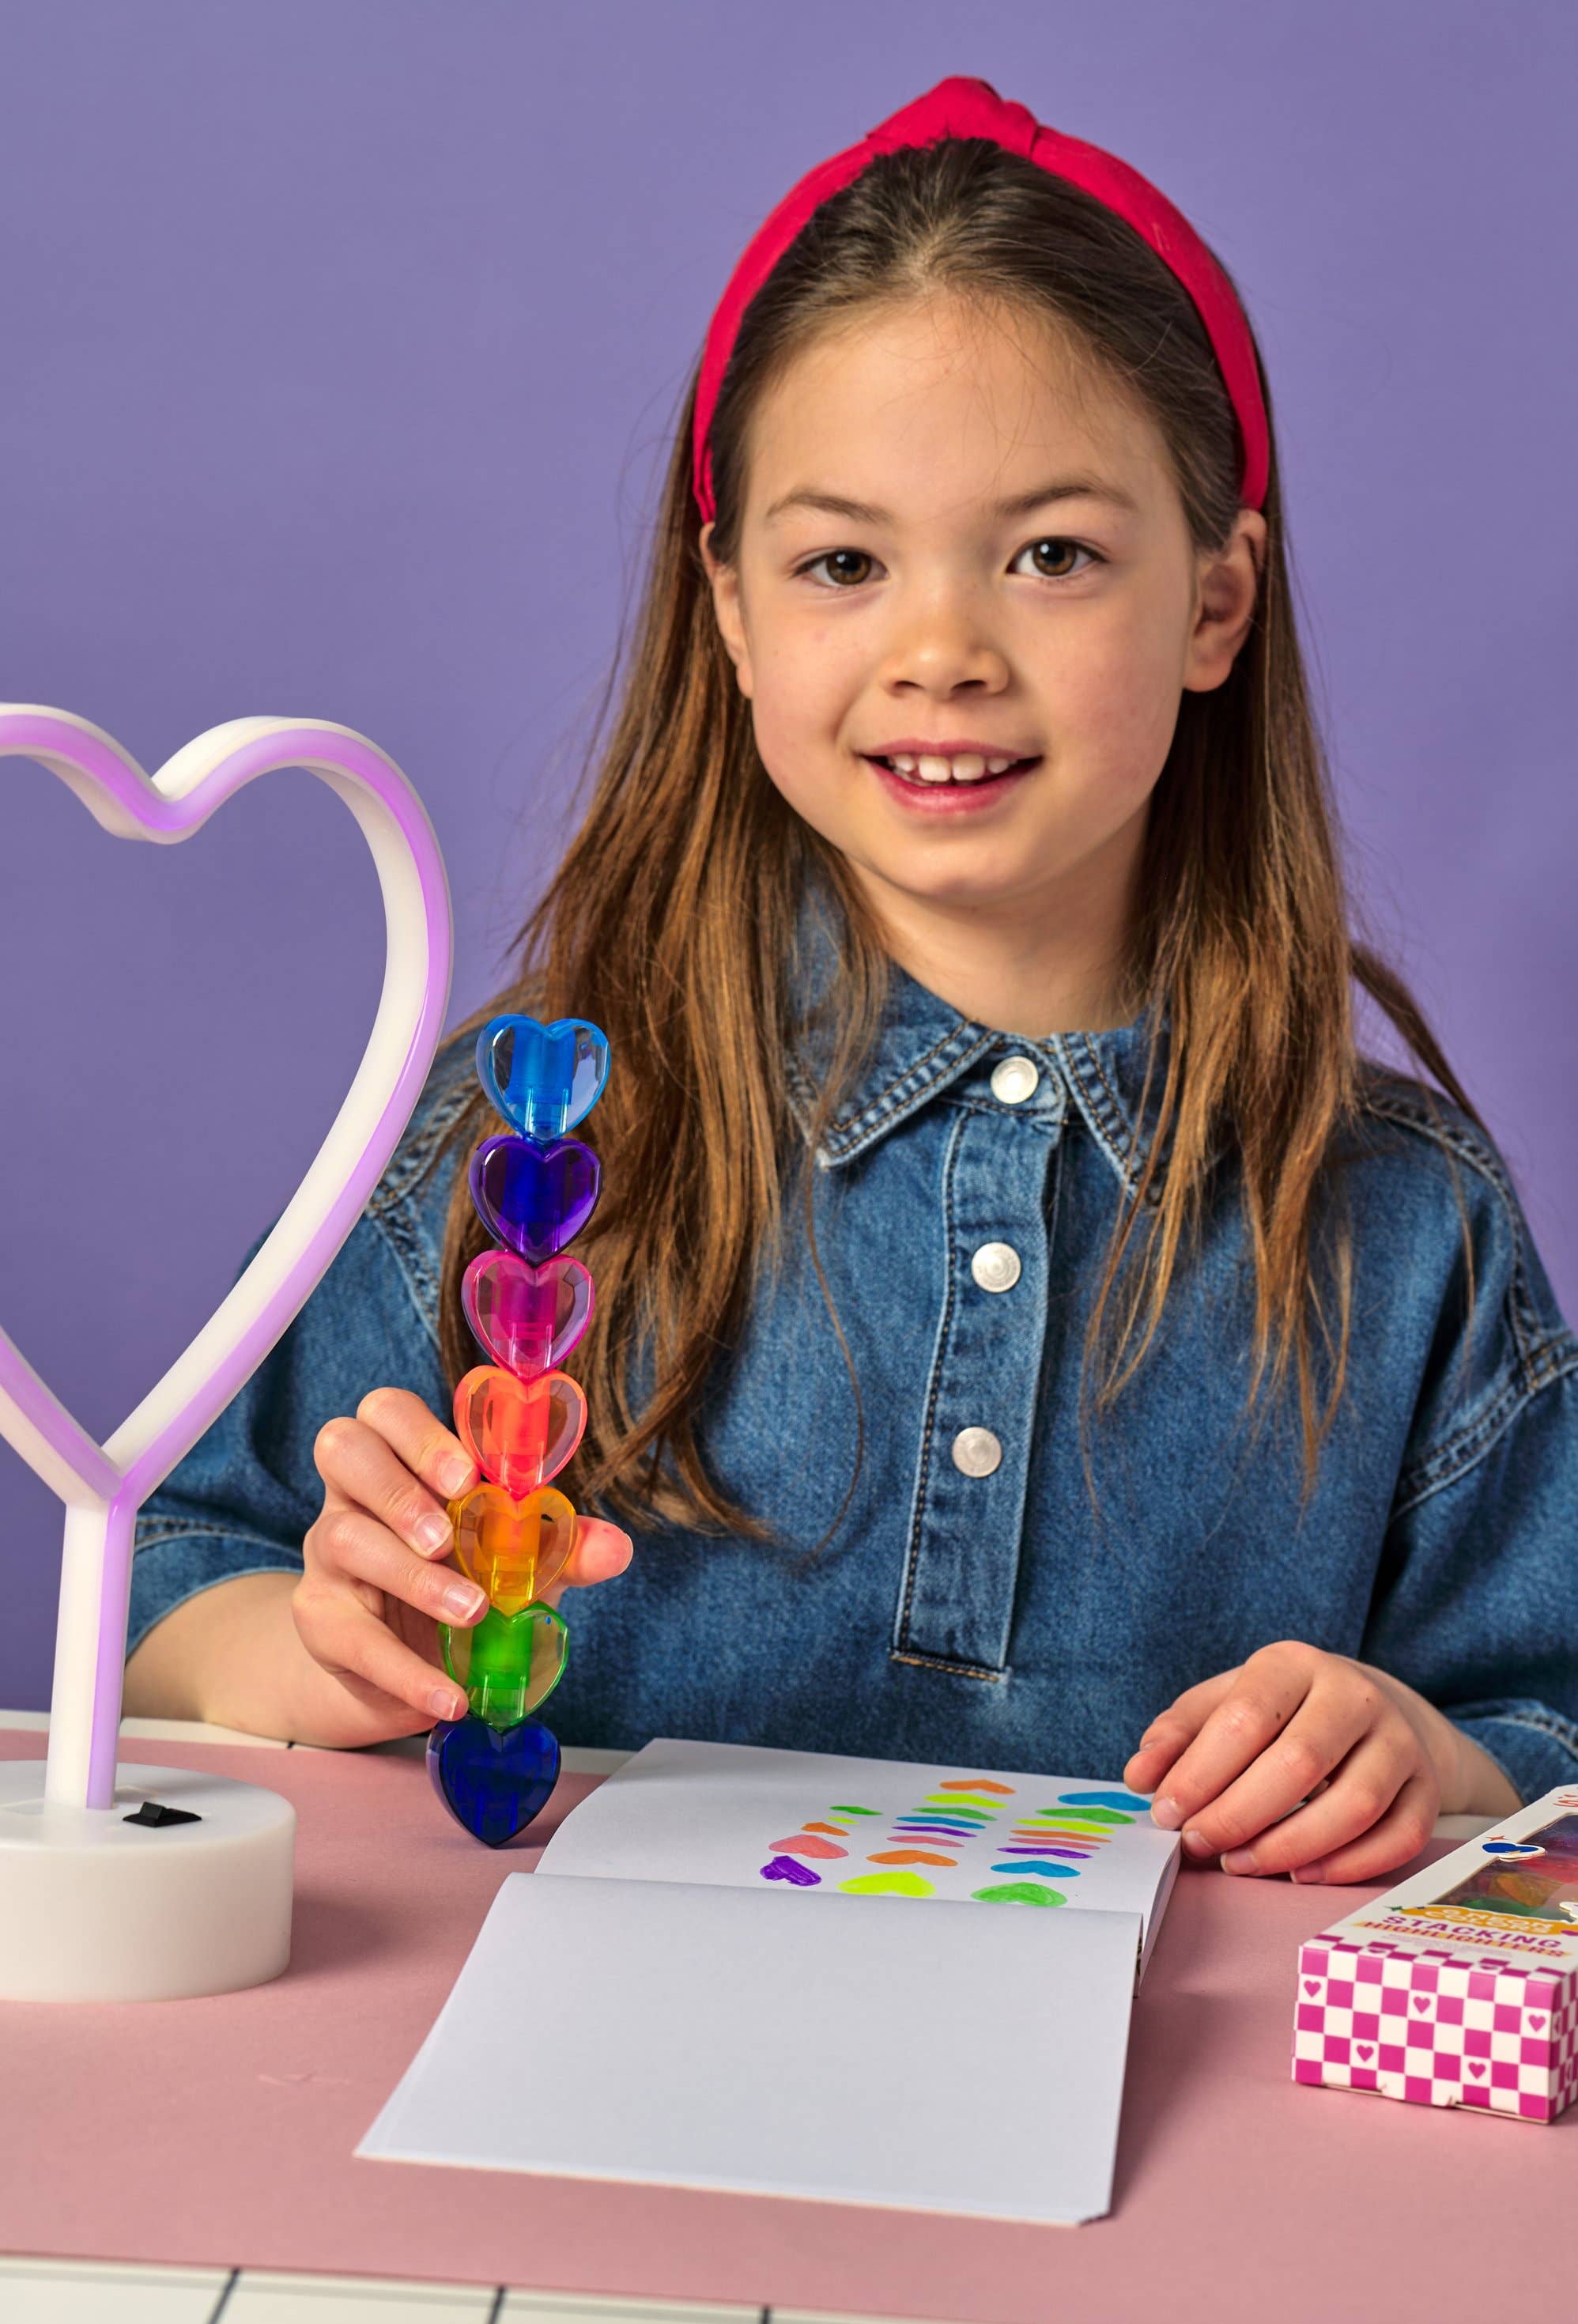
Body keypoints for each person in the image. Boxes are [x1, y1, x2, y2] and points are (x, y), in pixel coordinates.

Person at [124, 74, 1578, 1887]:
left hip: (1158, 2147)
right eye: (841, 562)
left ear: (1213, 603)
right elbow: (174, 1587)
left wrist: (1431, 1759)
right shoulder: (527, 1151)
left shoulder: (1405, 1224)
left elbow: (1545, 1738)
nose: (940, 649)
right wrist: (319, 1643)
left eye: (1050, 554)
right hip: (554, 2129)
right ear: (728, 608)